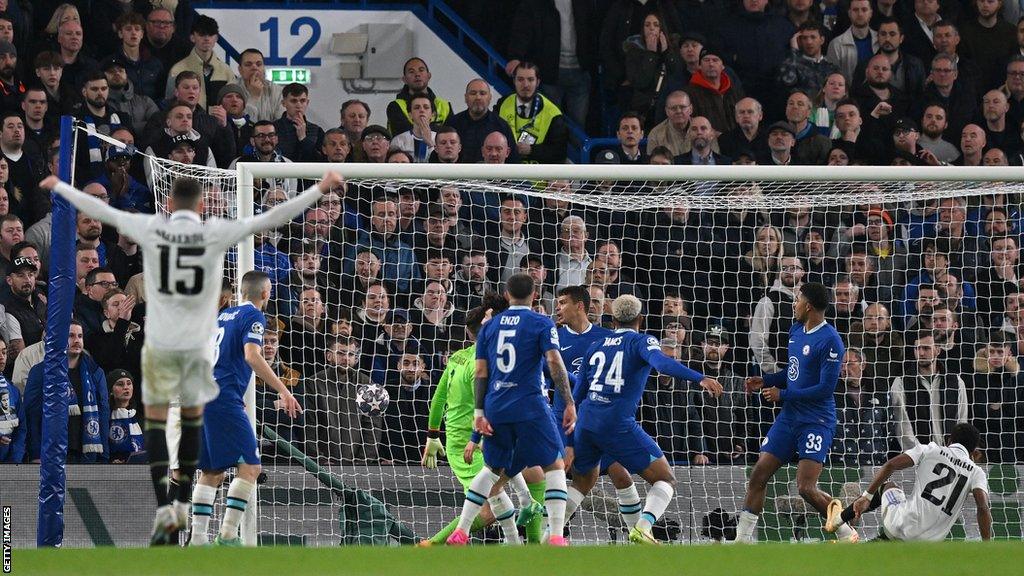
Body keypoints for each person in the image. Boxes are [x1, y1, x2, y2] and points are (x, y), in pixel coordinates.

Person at [40, 170, 342, 545]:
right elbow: (271, 218)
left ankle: (191, 533)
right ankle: (220, 532)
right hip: (202, 361)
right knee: (238, 462)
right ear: (201, 206)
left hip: (160, 353)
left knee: (204, 465)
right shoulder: (213, 233)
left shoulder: (152, 227)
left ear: (168, 206)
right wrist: (319, 187)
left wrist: (62, 189)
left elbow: (107, 214)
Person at [564, 294, 722, 544]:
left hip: (586, 423)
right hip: (616, 424)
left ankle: (548, 532)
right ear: (640, 319)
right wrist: (700, 378)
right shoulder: (642, 341)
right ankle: (644, 526)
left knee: (582, 482)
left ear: (613, 320)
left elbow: (576, 396)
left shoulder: (596, 346)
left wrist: (570, 438)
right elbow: (662, 364)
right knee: (666, 478)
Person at [446, 273, 576, 546]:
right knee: (554, 464)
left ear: (507, 294)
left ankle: (463, 530)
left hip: (496, 406)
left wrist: (479, 413)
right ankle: (554, 535)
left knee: (492, 469)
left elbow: (481, 371)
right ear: (534, 295)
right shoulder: (541, 322)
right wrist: (569, 402)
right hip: (530, 405)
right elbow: (554, 362)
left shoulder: (489, 327)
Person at [736, 282, 860, 543]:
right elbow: (793, 373)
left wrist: (783, 395)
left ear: (809, 306)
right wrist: (767, 380)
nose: (794, 304)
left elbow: (825, 388)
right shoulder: (795, 330)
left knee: (805, 488)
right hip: (789, 417)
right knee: (759, 473)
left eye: (797, 300)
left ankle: (847, 532)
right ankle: (742, 541)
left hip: (816, 420)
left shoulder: (831, 341)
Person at [189, 271, 301, 546]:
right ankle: (227, 535)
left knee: (212, 470)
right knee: (250, 467)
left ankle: (198, 540)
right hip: (224, 397)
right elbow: (252, 356)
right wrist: (284, 390)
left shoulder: (222, 316)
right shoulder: (254, 316)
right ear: (265, 293)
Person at [824, 423, 991, 542]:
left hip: (901, 525)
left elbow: (890, 465)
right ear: (973, 452)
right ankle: (848, 534)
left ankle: (839, 521)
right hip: (929, 545)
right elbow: (982, 507)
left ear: (948, 440)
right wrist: (986, 546)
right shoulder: (976, 472)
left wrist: (866, 497)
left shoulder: (930, 449)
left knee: (889, 486)